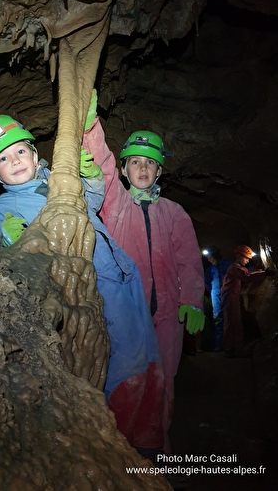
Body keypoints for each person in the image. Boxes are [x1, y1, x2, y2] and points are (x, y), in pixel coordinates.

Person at [0, 114, 166, 455]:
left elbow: (92, 204)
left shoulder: (56, 178)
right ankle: (121, 447)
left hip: (123, 271)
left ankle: (150, 439)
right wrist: (24, 240)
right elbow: (20, 251)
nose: (14, 161)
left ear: (35, 155)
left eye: (20, 152)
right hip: (92, 281)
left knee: (152, 358)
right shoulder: (7, 205)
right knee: (127, 364)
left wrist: (89, 175)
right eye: (2, 159)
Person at [82, 90, 205, 449]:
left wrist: (192, 300)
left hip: (168, 316)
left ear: (159, 170)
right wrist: (90, 126)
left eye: (149, 163)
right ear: (125, 169)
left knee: (164, 381)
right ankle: (121, 452)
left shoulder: (174, 212)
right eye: (135, 162)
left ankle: (155, 451)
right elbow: (101, 168)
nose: (142, 168)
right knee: (127, 379)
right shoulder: (117, 205)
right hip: (127, 313)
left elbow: (189, 262)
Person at [221, 244, 269, 358]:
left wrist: (260, 272)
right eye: (246, 258)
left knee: (235, 322)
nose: (247, 260)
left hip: (233, 296)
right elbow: (247, 277)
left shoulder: (238, 267)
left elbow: (247, 274)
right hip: (229, 297)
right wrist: (264, 273)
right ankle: (230, 348)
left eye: (248, 258)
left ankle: (235, 347)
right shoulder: (235, 268)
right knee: (232, 322)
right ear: (238, 256)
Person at [203, 245, 231, 352]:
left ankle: (229, 344)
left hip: (227, 293)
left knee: (229, 318)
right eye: (208, 258)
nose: (209, 259)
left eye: (210, 257)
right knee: (217, 318)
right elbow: (207, 283)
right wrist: (212, 292)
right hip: (215, 295)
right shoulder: (210, 269)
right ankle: (219, 344)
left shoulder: (227, 265)